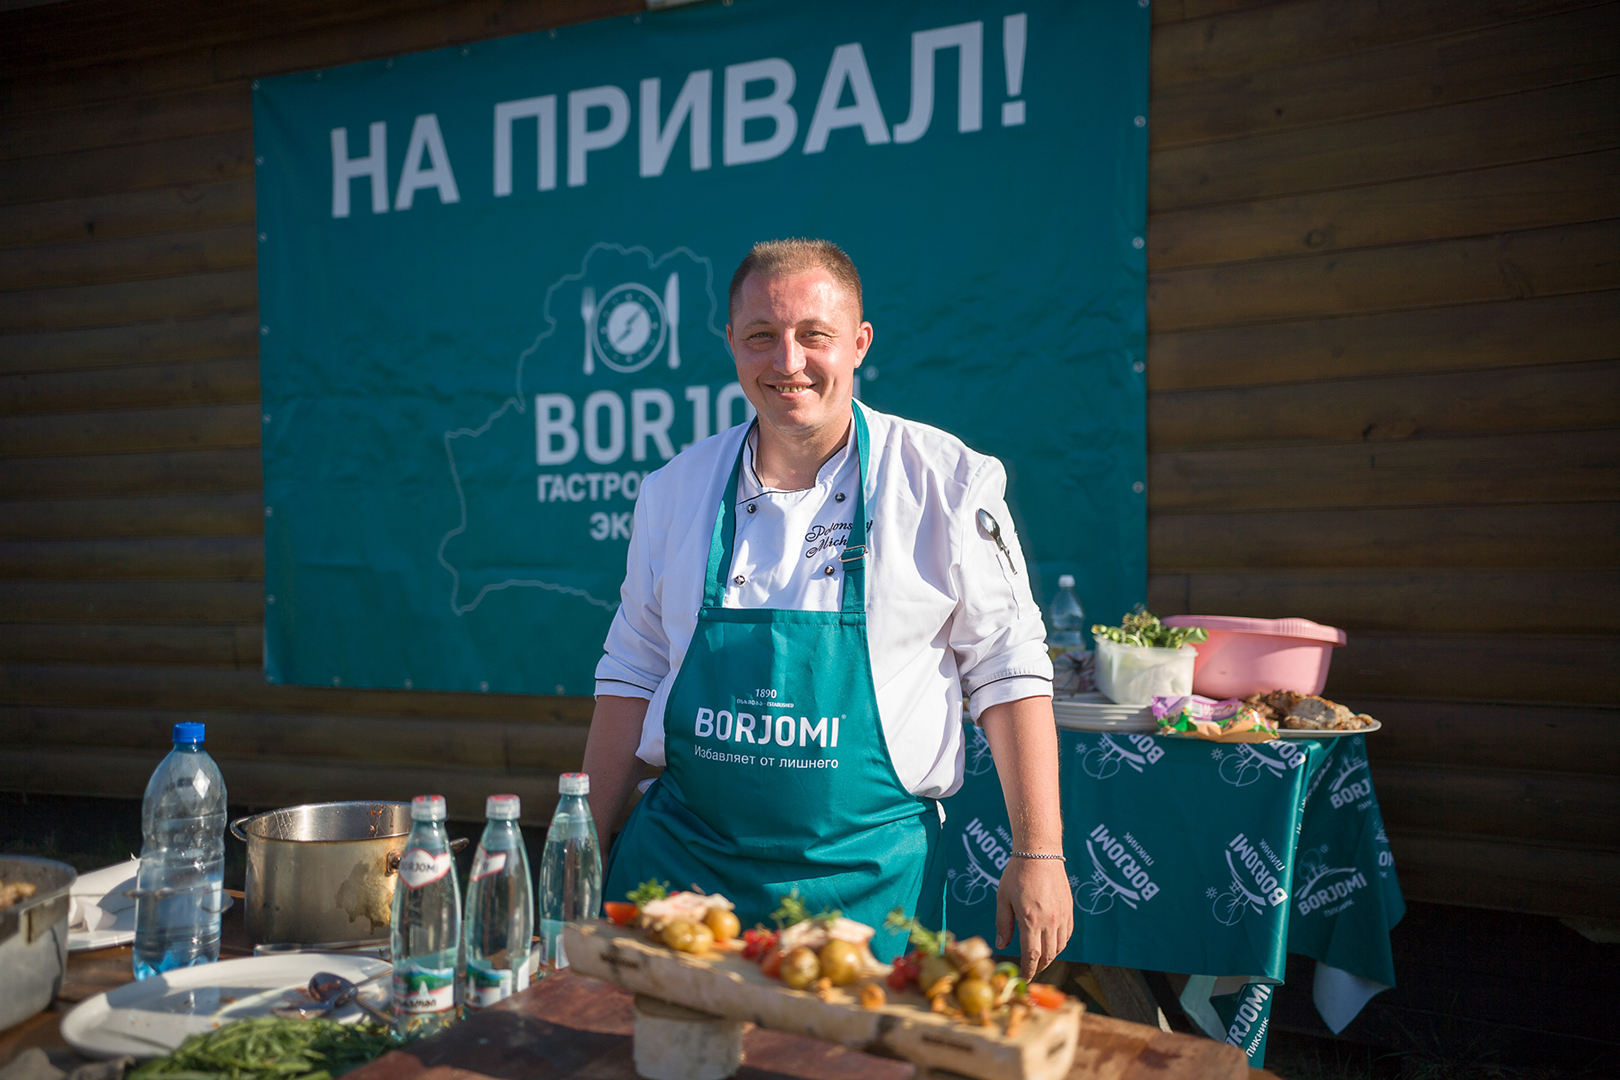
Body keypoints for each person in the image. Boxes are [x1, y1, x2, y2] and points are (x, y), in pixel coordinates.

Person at [582, 239, 1072, 975]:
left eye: (814, 334)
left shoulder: (946, 482)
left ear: (860, 342)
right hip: (681, 876)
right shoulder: (673, 489)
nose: (788, 361)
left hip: (866, 892)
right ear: (731, 343)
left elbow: (1010, 671)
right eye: (761, 336)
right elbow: (632, 671)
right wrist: (580, 846)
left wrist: (1039, 853)